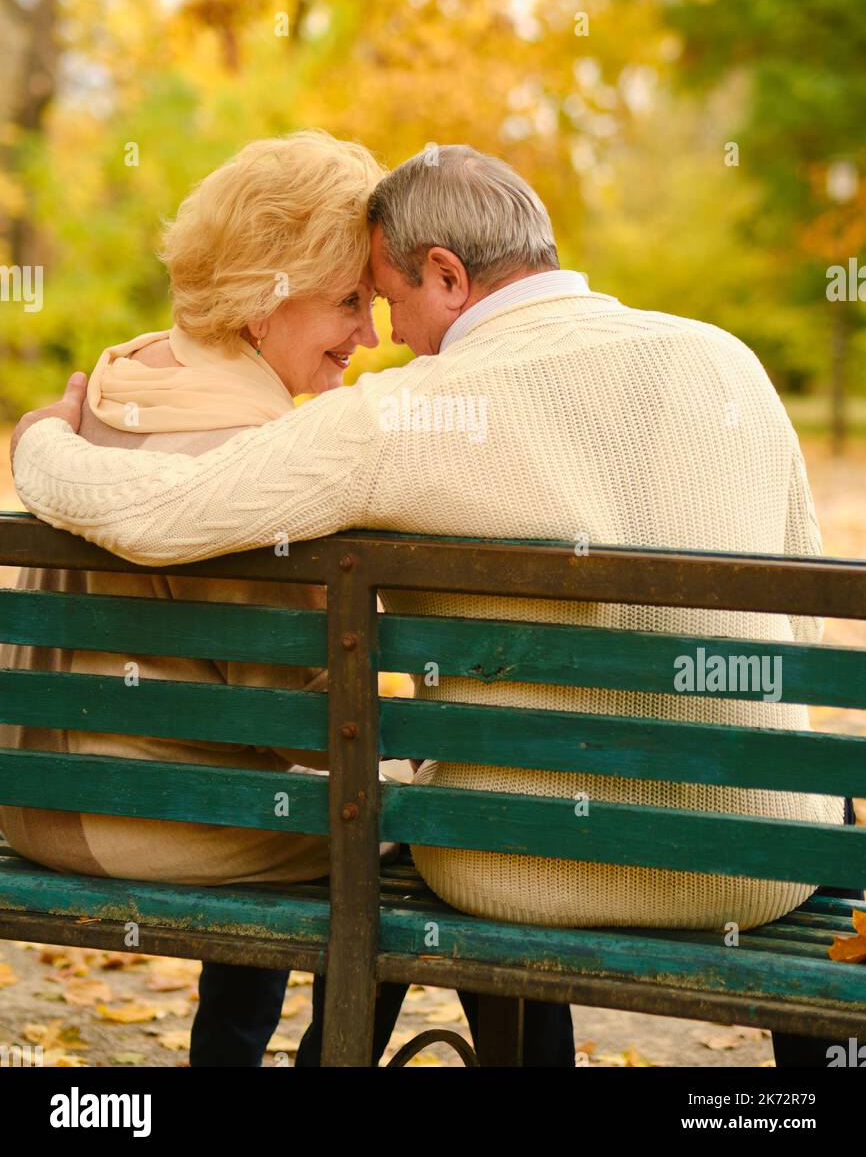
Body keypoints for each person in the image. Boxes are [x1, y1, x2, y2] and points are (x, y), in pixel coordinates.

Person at [11, 144, 857, 1066]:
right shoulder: (727, 362)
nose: (385, 335)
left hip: (514, 871)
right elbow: (799, 623)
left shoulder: (404, 414)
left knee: (406, 814)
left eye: (387, 298)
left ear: (447, 277)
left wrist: (41, 442)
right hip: (767, 864)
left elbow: (157, 513)